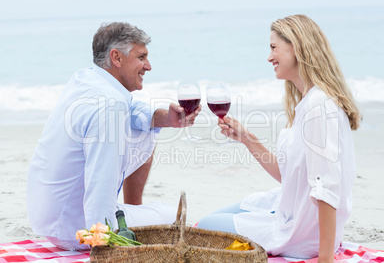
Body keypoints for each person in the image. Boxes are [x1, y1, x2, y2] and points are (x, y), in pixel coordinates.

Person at [197, 14, 360, 262]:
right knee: (214, 217)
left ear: (297, 46)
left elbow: (327, 187)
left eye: (274, 48)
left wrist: (325, 257)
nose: (269, 57)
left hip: (303, 235)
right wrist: (248, 139)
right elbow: (288, 175)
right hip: (291, 207)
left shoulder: (319, 106)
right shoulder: (308, 101)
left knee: (205, 227)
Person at [26, 22, 200, 251]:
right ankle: (122, 218)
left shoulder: (86, 80)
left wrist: (164, 119)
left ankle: (130, 210)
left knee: (143, 126)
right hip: (75, 228)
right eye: (142, 57)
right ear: (116, 58)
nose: (148, 66)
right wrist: (102, 240)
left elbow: (133, 111)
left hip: (48, 217)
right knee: (170, 216)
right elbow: (101, 178)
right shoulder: (111, 106)